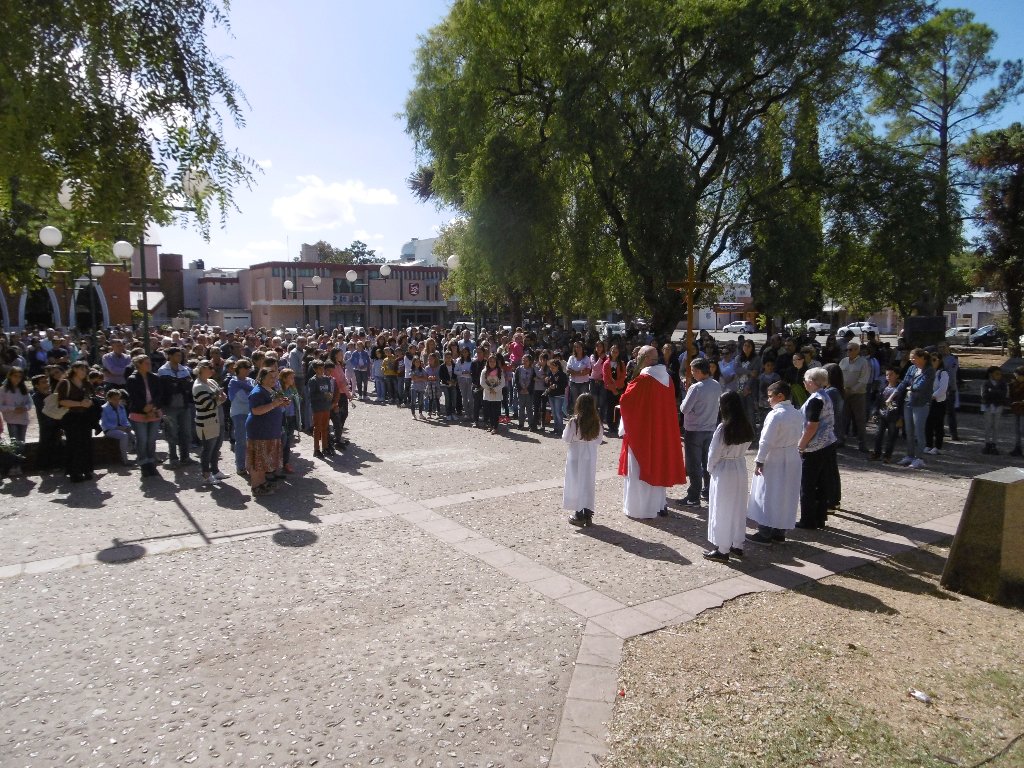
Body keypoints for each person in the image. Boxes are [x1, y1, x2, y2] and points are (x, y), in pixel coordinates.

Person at [618, 345, 687, 519]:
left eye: (639, 356)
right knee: (658, 466)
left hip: (643, 432)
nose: (636, 360)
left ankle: (639, 509)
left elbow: (626, 401)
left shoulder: (644, 380)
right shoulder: (667, 378)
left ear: (646, 359)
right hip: (661, 431)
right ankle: (658, 505)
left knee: (640, 468)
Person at [747, 380, 803, 544]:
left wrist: (759, 460)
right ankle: (780, 531)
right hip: (792, 455)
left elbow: (766, 440)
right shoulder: (797, 413)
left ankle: (765, 532)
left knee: (768, 493)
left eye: (771, 396)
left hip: (775, 457)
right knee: (786, 494)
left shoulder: (776, 415)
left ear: (780, 396)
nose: (768, 400)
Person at [703, 391, 754, 563]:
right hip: (740, 466)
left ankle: (722, 549)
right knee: (738, 507)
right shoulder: (746, 425)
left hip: (724, 469)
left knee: (722, 508)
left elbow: (714, 453)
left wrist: (710, 469)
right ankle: (737, 544)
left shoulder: (723, 428)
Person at [797, 368, 839, 530]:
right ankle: (820, 518)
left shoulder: (815, 399)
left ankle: (808, 520)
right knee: (822, 482)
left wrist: (801, 445)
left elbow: (811, 426)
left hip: (815, 447)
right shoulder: (825, 395)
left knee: (807, 484)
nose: (804, 383)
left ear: (811, 382)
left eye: (805, 380)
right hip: (828, 443)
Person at [679, 357, 723, 508]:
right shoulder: (716, 385)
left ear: (698, 371)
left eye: (692, 371)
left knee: (694, 464)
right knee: (707, 462)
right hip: (710, 427)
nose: (691, 374)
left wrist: (687, 395)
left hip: (694, 429)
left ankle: (693, 496)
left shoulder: (696, 388)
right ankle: (708, 491)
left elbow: (684, 409)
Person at [246, 367, 290, 496]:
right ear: (261, 378)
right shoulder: (257, 392)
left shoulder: (271, 390)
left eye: (275, 377)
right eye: (271, 377)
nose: (274, 379)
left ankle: (262, 482)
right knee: (258, 460)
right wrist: (274, 404)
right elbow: (256, 410)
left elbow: (273, 405)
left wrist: (281, 403)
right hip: (260, 430)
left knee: (264, 459)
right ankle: (256, 486)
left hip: (270, 430)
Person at [889, 348, 935, 469]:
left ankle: (919, 458)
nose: (911, 360)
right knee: (908, 431)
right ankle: (909, 455)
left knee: (919, 432)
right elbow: (904, 382)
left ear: (922, 358)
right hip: (908, 402)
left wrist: (911, 387)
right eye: (911, 358)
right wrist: (893, 395)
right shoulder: (912, 368)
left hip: (921, 404)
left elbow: (921, 386)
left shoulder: (929, 370)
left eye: (914, 358)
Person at [563, 393, 604, 527]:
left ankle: (578, 513)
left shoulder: (574, 421)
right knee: (588, 482)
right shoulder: (597, 421)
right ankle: (588, 512)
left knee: (576, 482)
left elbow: (566, 438)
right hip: (590, 454)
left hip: (576, 453)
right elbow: (599, 440)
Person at [56, 361, 96, 483]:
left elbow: (90, 397)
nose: (84, 372)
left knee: (86, 442)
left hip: (84, 416)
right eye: (82, 369)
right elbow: (61, 401)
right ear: (74, 369)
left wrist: (88, 402)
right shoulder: (65, 383)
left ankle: (87, 469)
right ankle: (75, 471)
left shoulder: (86, 383)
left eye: (85, 369)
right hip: (71, 417)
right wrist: (79, 403)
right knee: (74, 443)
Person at [125, 355, 162, 478]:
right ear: (138, 364)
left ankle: (151, 461)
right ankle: (143, 463)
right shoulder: (132, 379)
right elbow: (134, 397)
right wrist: (144, 408)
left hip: (154, 412)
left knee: (151, 439)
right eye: (146, 363)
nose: (149, 365)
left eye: (149, 363)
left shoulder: (155, 377)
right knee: (142, 439)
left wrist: (153, 407)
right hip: (138, 413)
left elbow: (159, 394)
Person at [193, 360, 227, 484]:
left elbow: (221, 395)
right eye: (210, 367)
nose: (212, 370)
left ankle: (215, 471)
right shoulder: (198, 386)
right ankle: (206, 475)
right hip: (207, 422)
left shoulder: (211, 381)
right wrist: (220, 399)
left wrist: (220, 397)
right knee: (208, 449)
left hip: (218, 419)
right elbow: (208, 405)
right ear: (202, 369)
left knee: (216, 448)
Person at [870, 366, 904, 463]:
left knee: (891, 437)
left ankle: (887, 456)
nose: (888, 376)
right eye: (887, 375)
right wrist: (874, 413)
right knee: (878, 435)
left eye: (891, 374)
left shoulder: (900, 389)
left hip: (894, 417)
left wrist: (901, 418)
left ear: (897, 375)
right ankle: (876, 453)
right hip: (882, 415)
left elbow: (901, 405)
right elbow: (878, 402)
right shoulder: (884, 388)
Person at [228, 359, 256, 474]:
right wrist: (253, 395)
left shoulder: (251, 381)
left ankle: (249, 464)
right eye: (245, 368)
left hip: (251, 413)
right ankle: (240, 466)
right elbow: (244, 398)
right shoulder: (233, 382)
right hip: (239, 414)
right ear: (238, 369)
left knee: (251, 440)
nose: (247, 370)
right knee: (241, 441)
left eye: (248, 367)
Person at [306, 360, 336, 459]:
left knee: (325, 427)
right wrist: (323, 395)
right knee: (317, 428)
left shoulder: (326, 379)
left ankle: (325, 447)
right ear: (315, 369)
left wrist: (330, 395)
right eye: (319, 368)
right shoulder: (313, 380)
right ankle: (316, 449)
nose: (322, 370)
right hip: (317, 407)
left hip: (326, 406)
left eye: (323, 368)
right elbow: (311, 396)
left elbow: (330, 390)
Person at [100, 389, 135, 466]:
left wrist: (128, 427)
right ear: (109, 399)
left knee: (134, 435)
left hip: (122, 428)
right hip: (109, 430)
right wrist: (118, 428)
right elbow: (105, 424)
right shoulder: (103, 408)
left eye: (118, 399)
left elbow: (125, 420)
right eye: (114, 399)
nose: (117, 401)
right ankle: (125, 460)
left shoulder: (121, 407)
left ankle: (141, 457)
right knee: (124, 436)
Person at [924, 353, 949, 455]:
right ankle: (928, 444)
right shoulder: (929, 372)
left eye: (934, 360)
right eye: (930, 360)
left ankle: (938, 446)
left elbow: (943, 389)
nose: (932, 362)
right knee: (928, 424)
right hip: (928, 401)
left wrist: (932, 396)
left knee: (938, 424)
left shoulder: (943, 373)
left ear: (939, 361)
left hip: (939, 401)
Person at [0, 366, 31, 446]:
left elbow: (30, 403)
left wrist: (25, 408)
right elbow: (1, 406)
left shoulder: (24, 389)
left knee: (22, 444)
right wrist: (14, 408)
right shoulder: (3, 390)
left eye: (20, 377)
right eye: (15, 376)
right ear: (10, 376)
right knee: (15, 445)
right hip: (11, 420)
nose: (17, 379)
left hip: (23, 419)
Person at [980, 365, 1008, 455]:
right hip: (988, 406)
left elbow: (1003, 395)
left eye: (1000, 374)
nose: (999, 376)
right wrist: (996, 392)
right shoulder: (985, 383)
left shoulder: (1003, 383)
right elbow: (984, 395)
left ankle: (994, 444)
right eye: (997, 374)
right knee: (988, 426)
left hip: (998, 406)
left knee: (996, 426)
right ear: (991, 374)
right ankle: (987, 444)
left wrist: (992, 391)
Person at [480, 354, 504, 434]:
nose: (492, 363)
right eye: (490, 361)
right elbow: (482, 383)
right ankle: (491, 425)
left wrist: (495, 389)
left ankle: (495, 427)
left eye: (494, 361)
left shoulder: (500, 371)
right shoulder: (484, 371)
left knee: (495, 412)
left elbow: (502, 383)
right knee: (489, 412)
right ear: (488, 362)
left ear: (496, 362)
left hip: (497, 395)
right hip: (488, 394)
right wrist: (489, 389)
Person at [1010, 366, 1024, 457]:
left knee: (1023, 430)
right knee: (1017, 430)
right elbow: (1011, 396)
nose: (1016, 377)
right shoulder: (1014, 384)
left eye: (1017, 375)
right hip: (1016, 409)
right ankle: (1017, 447)